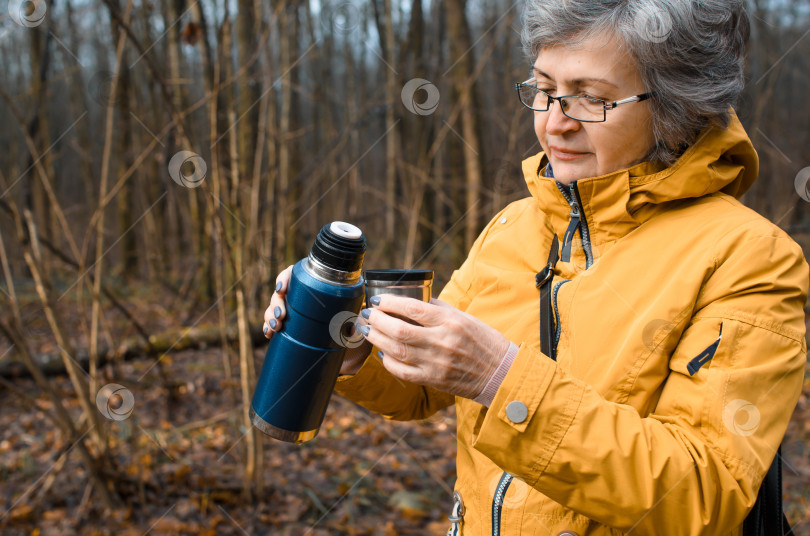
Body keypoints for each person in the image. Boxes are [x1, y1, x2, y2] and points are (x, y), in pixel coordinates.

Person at [263, 1, 809, 534]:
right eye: (544, 90)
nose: (554, 124)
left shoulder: (750, 259)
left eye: (589, 99)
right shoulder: (513, 227)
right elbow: (426, 391)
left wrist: (500, 379)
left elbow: (703, 494)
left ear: (677, 106)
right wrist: (357, 347)